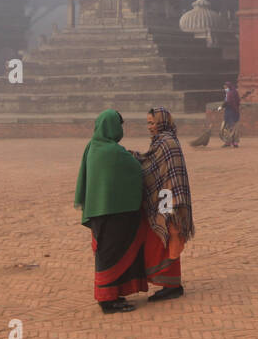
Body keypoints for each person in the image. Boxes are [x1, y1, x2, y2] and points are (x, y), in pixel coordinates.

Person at [74, 109, 147, 314]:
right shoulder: (113, 152)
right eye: (119, 125)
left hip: (98, 211)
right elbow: (135, 170)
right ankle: (107, 300)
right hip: (114, 213)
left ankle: (111, 294)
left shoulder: (93, 147)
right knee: (112, 255)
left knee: (106, 254)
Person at [133, 107, 194, 301]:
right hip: (167, 196)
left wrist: (133, 159)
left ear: (162, 122)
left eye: (153, 123)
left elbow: (151, 168)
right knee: (166, 237)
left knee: (168, 235)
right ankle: (171, 283)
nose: (150, 127)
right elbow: (153, 165)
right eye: (148, 123)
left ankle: (172, 285)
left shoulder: (166, 143)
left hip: (169, 198)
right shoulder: (164, 141)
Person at [219, 80, 241, 147]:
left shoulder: (229, 94)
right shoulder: (235, 92)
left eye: (225, 87)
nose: (225, 89)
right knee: (235, 127)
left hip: (229, 112)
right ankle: (235, 142)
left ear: (228, 87)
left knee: (227, 127)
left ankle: (228, 142)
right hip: (235, 111)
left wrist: (221, 107)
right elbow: (238, 101)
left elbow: (227, 102)